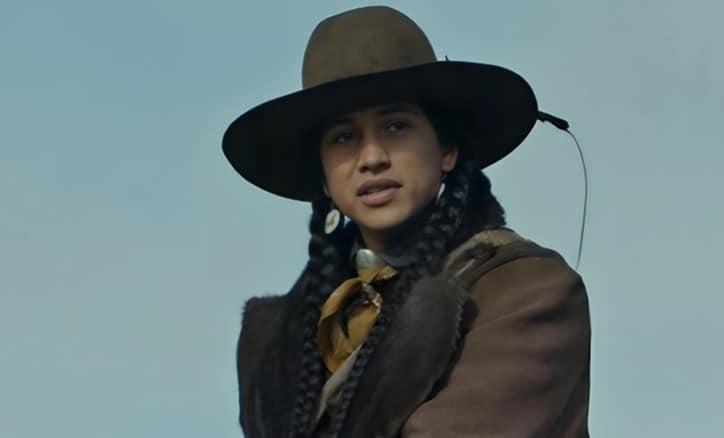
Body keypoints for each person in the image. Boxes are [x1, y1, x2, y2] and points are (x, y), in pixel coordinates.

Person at [223, 6, 590, 438]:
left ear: (447, 150)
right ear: (322, 177)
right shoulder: (277, 345)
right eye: (344, 137)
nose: (372, 157)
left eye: (396, 126)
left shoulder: (526, 288)